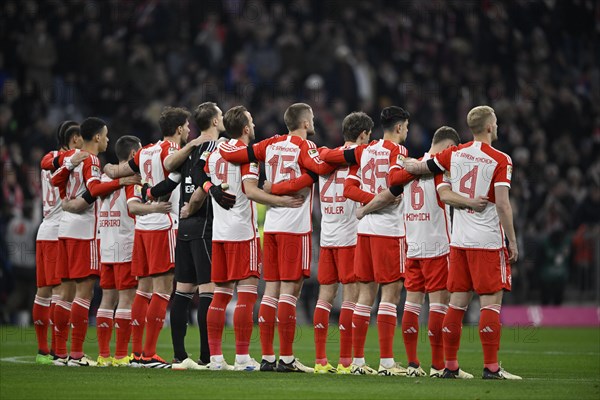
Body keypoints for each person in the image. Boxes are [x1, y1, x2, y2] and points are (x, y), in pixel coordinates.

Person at [358, 126, 487, 378]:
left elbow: (390, 189)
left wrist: (364, 210)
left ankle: (413, 364)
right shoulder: (439, 171)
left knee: (412, 305)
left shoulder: (407, 166)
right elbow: (446, 196)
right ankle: (439, 366)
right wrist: (470, 202)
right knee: (439, 305)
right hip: (437, 246)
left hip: (412, 246)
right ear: (449, 148)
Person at [405, 105, 521, 380]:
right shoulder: (501, 159)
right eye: (496, 121)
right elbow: (503, 205)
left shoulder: (454, 154)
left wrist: (407, 164)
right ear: (490, 127)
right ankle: (492, 367)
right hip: (488, 242)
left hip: (459, 242)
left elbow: (433, 181)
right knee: (490, 303)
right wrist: (512, 241)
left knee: (456, 304)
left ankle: (451, 365)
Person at [220, 103, 335, 373]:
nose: (314, 122)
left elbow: (237, 155)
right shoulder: (305, 147)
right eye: (313, 119)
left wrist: (216, 144)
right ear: (305, 124)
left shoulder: (270, 144)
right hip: (294, 227)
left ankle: (268, 358)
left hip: (270, 227)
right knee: (289, 292)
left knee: (271, 291)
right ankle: (286, 358)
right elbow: (319, 171)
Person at [204, 106, 304, 371]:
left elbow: (203, 175)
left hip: (219, 233)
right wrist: (279, 199)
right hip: (242, 233)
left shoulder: (214, 155)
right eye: (252, 120)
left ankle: (216, 359)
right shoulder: (246, 158)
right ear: (246, 129)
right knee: (247, 296)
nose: (255, 124)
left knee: (221, 296)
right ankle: (241, 358)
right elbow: (250, 191)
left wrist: (209, 187)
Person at [142, 102, 234, 370]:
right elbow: (203, 180)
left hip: (184, 228)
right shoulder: (218, 148)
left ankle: (180, 356)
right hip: (204, 225)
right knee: (207, 292)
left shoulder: (189, 150)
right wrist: (193, 205)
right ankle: (207, 357)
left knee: (182, 292)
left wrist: (147, 193)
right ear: (215, 122)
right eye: (220, 115)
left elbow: (170, 179)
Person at [103, 107, 191, 368]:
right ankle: (150, 354)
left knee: (143, 291)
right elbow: (173, 174)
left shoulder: (144, 151)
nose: (188, 130)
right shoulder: (173, 152)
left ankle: (139, 353)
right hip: (163, 223)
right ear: (177, 129)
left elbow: (114, 172)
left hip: (142, 226)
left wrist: (107, 166)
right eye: (186, 126)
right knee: (163, 291)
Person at [51, 117, 138, 366]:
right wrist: (119, 182)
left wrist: (68, 193)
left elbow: (55, 178)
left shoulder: (73, 159)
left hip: (64, 228)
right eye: (106, 135)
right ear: (97, 137)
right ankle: (76, 353)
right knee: (84, 293)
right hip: (85, 230)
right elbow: (94, 187)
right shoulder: (91, 160)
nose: (108, 140)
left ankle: (59, 353)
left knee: (64, 294)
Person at [309, 112, 373, 374]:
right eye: (369, 136)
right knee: (351, 297)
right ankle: (347, 361)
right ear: (362, 135)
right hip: (350, 237)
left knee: (325, 298)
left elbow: (321, 161)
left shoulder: (326, 157)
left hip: (327, 237)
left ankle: (321, 361)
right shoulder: (360, 161)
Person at [34, 121, 84, 365]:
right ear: (74, 137)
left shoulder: (52, 157)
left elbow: (45, 163)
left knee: (44, 293)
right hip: (60, 231)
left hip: (45, 230)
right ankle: (57, 351)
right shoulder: (74, 159)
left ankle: (45, 350)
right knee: (62, 292)